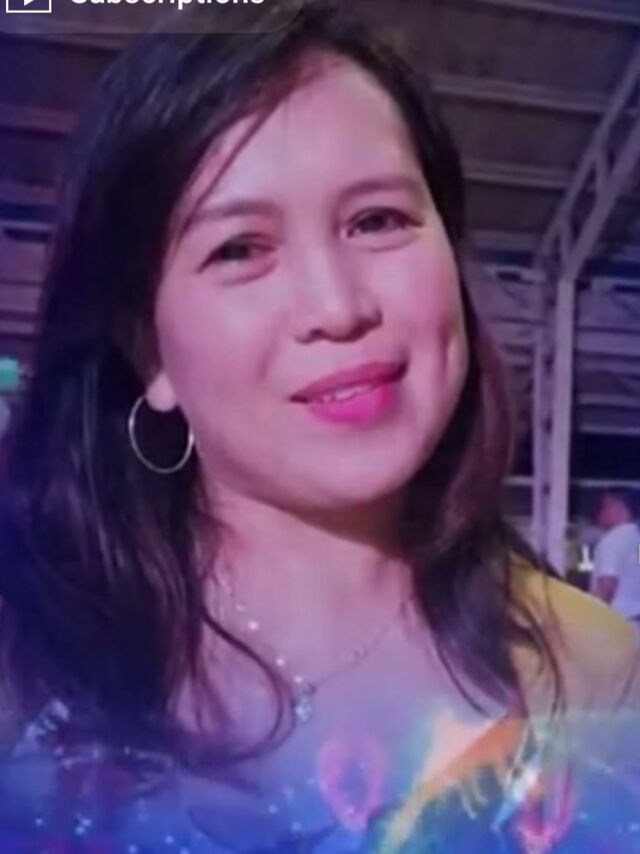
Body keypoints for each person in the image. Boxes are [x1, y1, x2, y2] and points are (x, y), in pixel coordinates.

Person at [0, 2, 638, 850]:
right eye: (240, 249)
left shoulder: (593, 672)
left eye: (378, 221)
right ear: (148, 350)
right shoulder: (28, 664)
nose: (338, 308)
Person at [591, 488, 640, 631]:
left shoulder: (613, 539)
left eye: (602, 507)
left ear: (616, 506)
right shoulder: (636, 538)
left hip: (619, 624)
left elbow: (607, 585)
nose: (598, 514)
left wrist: (590, 620)